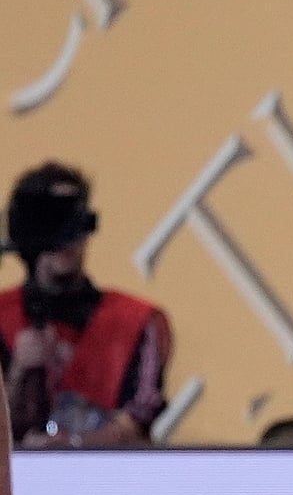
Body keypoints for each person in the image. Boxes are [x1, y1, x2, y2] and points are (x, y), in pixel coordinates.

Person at [0, 161, 172, 449]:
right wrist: (19, 372)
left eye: (74, 221)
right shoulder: (4, 317)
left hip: (108, 484)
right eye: (52, 220)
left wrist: (72, 445)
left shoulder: (137, 320)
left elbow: (140, 419)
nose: (67, 239)